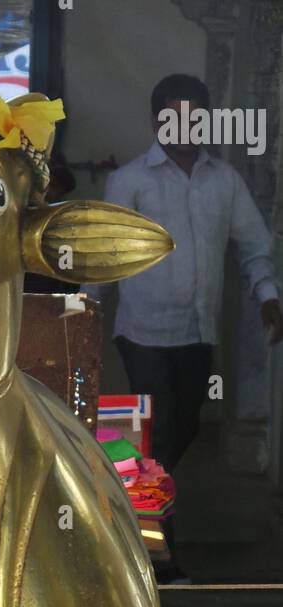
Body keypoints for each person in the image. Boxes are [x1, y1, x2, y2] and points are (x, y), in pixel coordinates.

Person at [87, 73, 283, 479]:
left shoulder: (224, 181)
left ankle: (136, 493)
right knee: (160, 428)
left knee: (190, 422)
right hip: (143, 334)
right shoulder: (130, 182)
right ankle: (155, 528)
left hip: (198, 332)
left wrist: (267, 295)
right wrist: (85, 310)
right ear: (157, 123)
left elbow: (254, 245)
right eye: (174, 120)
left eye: (195, 120)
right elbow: (107, 251)